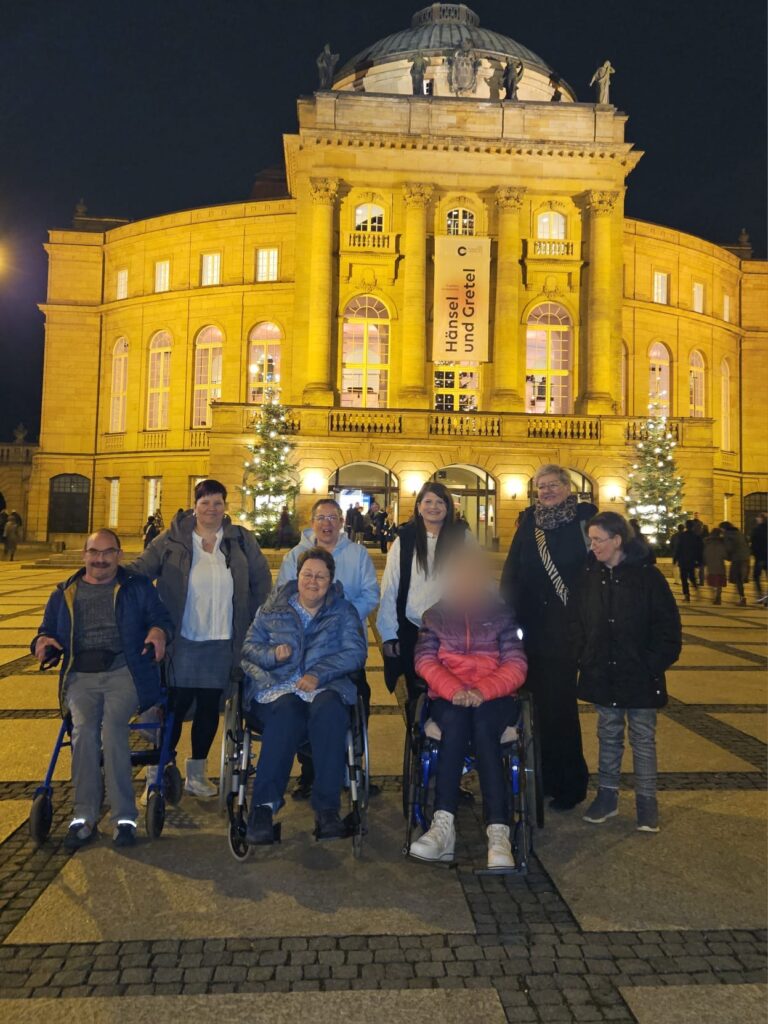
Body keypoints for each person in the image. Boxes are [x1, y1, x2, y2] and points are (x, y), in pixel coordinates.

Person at [128, 479, 271, 798]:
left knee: (208, 708)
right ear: (195, 506)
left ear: (225, 506)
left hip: (222, 640)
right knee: (173, 708)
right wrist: (110, 572)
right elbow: (141, 569)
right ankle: (158, 772)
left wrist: (256, 619)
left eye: (217, 502)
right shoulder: (173, 539)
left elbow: (261, 581)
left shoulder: (240, 540)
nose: (211, 509)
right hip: (182, 640)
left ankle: (196, 775)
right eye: (205, 502)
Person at [31, 529, 173, 849]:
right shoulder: (64, 593)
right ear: (84, 555)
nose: (101, 559)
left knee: (112, 729)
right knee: (83, 731)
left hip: (125, 671)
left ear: (119, 556)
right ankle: (84, 816)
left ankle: (124, 817)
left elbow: (162, 619)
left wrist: (158, 632)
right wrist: (42, 642)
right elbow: (46, 631)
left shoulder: (137, 587)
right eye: (94, 552)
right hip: (80, 675)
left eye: (108, 552)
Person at [407, 546, 528, 868]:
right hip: (450, 696)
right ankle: (442, 824)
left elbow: (516, 664)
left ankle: (498, 830)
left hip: (494, 697)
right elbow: (425, 660)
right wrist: (456, 690)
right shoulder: (435, 616)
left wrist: (482, 691)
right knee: (455, 725)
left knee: (485, 727)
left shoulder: (502, 615)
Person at [240, 547, 368, 844]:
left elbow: (355, 653)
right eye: (307, 574)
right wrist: (273, 654)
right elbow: (248, 647)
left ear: (330, 580)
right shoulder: (272, 609)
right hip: (277, 688)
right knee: (288, 711)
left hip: (325, 687)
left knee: (331, 711)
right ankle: (262, 809)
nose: (313, 581)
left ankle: (327, 810)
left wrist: (319, 673)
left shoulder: (343, 611)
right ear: (297, 576)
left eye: (320, 576)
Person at [572, 513, 681, 833]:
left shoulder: (648, 577)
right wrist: (585, 656)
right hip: (603, 671)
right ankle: (607, 797)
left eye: (598, 539)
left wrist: (650, 664)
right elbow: (578, 621)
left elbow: (668, 629)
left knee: (643, 738)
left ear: (617, 540)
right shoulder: (590, 575)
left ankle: (647, 802)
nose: (592, 546)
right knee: (608, 734)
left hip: (639, 673)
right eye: (591, 540)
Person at [501, 464, 595, 811]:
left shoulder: (584, 521)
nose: (547, 491)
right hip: (530, 630)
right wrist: (506, 619)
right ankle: (539, 778)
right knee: (533, 708)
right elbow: (512, 571)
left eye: (553, 485)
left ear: (568, 488)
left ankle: (569, 783)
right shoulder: (530, 523)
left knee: (561, 708)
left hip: (566, 631)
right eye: (541, 487)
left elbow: (595, 572)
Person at [276, 497, 380, 798]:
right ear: (312, 522)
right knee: (306, 703)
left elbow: (370, 594)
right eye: (321, 518)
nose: (327, 524)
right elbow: (283, 596)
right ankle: (310, 772)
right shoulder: (295, 556)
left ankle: (352, 767)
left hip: (346, 646)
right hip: (306, 649)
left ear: (342, 522)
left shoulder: (357, 554)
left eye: (333, 518)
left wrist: (340, 620)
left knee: (358, 700)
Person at [378, 482, 466, 705]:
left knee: (450, 690)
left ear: (448, 507)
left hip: (454, 630)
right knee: (417, 694)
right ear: (418, 507)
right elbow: (390, 586)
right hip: (413, 629)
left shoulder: (463, 537)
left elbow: (478, 579)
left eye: (440, 502)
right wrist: (389, 633)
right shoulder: (405, 539)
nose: (433, 507)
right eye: (428, 501)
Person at [720, 521, 750, 606]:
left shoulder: (727, 535)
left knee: (737, 578)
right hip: (746, 558)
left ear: (724, 528)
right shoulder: (739, 533)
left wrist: (726, 556)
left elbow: (729, 548)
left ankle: (742, 598)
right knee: (740, 578)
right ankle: (741, 596)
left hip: (737, 558)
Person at [674, 521, 703, 602]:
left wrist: (675, 558)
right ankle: (696, 588)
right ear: (692, 526)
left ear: (686, 526)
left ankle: (686, 595)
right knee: (691, 576)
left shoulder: (682, 536)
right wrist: (700, 560)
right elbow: (699, 549)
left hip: (683, 560)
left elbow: (678, 548)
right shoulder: (696, 537)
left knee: (684, 578)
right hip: (691, 560)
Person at [703, 528, 728, 605]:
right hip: (720, 565)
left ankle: (714, 597)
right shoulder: (722, 543)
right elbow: (725, 555)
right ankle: (718, 597)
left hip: (710, 565)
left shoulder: (707, 543)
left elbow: (704, 554)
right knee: (719, 584)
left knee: (712, 583)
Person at [750, 513, 767, 601]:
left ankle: (760, 595)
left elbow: (753, 542)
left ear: (761, 519)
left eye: (758, 518)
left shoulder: (756, 529)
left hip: (759, 557)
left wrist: (753, 552)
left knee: (756, 577)